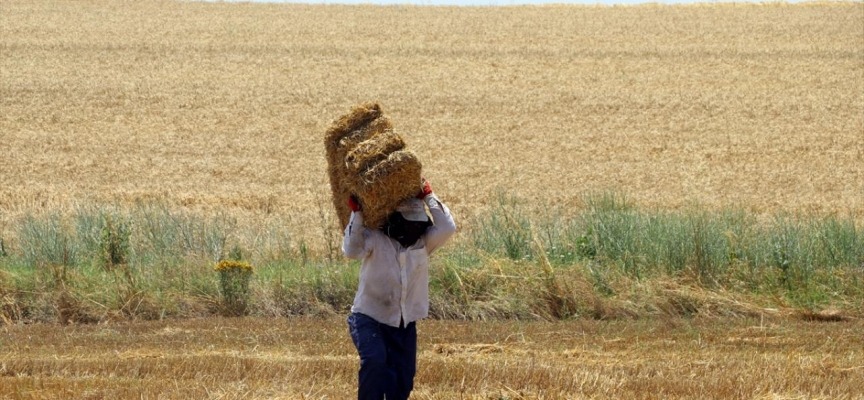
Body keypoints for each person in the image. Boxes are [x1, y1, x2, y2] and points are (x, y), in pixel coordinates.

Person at [342, 179, 457, 400]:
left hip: (404, 325)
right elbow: (351, 250)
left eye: (418, 224)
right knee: (374, 362)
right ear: (394, 222)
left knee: (402, 382)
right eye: (409, 224)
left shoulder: (424, 243)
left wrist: (428, 196)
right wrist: (356, 213)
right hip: (369, 318)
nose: (414, 229)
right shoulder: (376, 239)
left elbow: (448, 227)